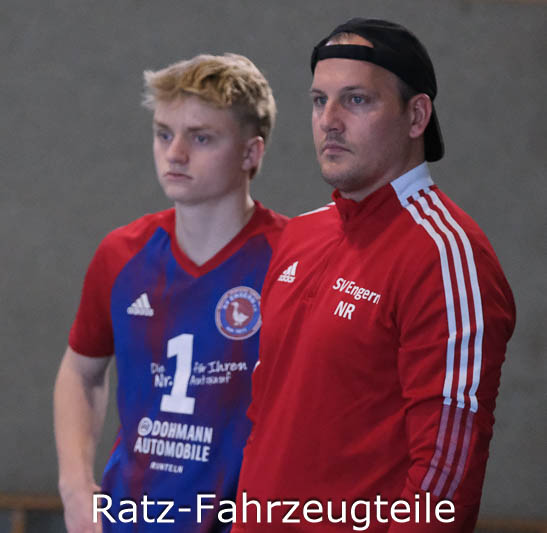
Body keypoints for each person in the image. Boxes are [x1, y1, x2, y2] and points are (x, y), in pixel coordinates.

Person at [233, 19, 516, 532]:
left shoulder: (446, 254)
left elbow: (445, 475)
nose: (329, 121)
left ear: (416, 116)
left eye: (357, 100)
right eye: (319, 101)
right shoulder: (300, 236)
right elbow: (266, 424)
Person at [53, 53, 287, 532]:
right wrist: (75, 489)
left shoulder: (293, 261)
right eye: (164, 134)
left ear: (251, 153)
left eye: (201, 138)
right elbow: (81, 370)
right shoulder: (122, 254)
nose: (175, 153)